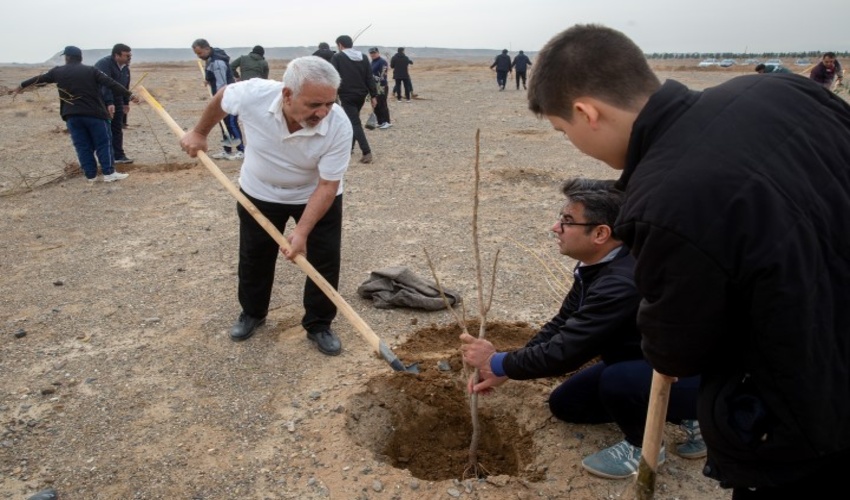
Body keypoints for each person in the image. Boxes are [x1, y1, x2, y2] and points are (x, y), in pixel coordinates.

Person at [527, 24, 850, 498]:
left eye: (563, 131)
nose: (572, 144)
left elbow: (679, 352)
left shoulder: (663, 198)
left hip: (806, 412)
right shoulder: (782, 89)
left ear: (586, 112)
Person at [461, 178, 702, 480]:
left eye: (566, 221)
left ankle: (653, 442)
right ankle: (672, 408)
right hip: (642, 358)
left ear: (601, 233)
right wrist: (507, 368)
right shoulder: (599, 264)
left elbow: (566, 352)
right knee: (567, 405)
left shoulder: (622, 282)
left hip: (695, 374)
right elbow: (563, 324)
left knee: (619, 382)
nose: (555, 228)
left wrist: (495, 360)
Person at [178, 56, 353, 356]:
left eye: (329, 103)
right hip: (258, 191)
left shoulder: (338, 125)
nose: (323, 112)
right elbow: (222, 97)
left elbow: (327, 186)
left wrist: (302, 231)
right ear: (287, 94)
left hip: (314, 195)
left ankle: (319, 324)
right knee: (254, 255)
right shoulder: (254, 94)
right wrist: (200, 132)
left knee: (323, 259)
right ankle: (253, 313)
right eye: (314, 105)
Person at [15, 45, 137, 183]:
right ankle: (109, 173)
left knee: (82, 146)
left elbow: (39, 79)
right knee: (103, 143)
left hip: (72, 116)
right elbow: (111, 84)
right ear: (81, 57)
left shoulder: (58, 72)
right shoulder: (91, 70)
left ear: (67, 58)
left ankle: (91, 176)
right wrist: (130, 95)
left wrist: (21, 86)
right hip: (95, 114)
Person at [191, 38, 245, 160]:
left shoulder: (217, 62)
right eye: (196, 54)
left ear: (207, 49)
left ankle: (241, 150)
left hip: (228, 97)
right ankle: (227, 151)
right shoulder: (210, 58)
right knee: (223, 124)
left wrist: (217, 100)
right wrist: (208, 79)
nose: (199, 56)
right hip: (223, 96)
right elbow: (213, 76)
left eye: (200, 53)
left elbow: (222, 85)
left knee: (231, 123)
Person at [330, 35, 378, 164]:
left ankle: (366, 152)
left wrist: (332, 93)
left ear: (340, 45)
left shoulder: (338, 57)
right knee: (353, 120)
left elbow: (332, 75)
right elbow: (369, 77)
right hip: (361, 95)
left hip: (346, 95)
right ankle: (349, 148)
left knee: (354, 122)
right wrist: (373, 95)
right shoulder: (363, 57)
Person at [95, 43, 134, 165]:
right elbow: (104, 85)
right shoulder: (104, 64)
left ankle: (118, 156)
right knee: (105, 129)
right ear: (116, 55)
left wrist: (125, 103)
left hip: (117, 100)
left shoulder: (125, 68)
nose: (129, 58)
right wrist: (109, 102)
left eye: (130, 55)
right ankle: (105, 158)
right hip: (101, 100)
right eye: (126, 55)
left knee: (117, 127)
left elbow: (124, 87)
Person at [368, 47, 392, 129]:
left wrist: (373, 77)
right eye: (371, 53)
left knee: (382, 104)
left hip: (381, 86)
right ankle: (380, 121)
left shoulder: (382, 62)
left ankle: (387, 122)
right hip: (374, 87)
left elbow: (383, 75)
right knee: (375, 105)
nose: (373, 54)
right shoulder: (372, 63)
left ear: (378, 52)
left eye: (374, 53)